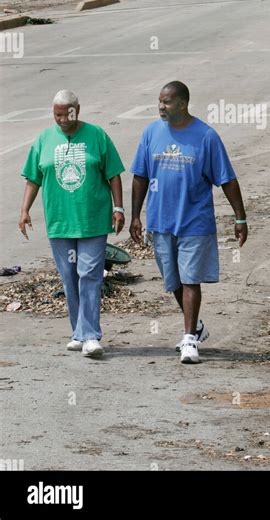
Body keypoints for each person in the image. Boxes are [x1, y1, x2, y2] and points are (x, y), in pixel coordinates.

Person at [130, 81, 247, 364]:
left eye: (167, 101)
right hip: (161, 223)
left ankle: (189, 340)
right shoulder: (151, 133)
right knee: (174, 282)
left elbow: (227, 180)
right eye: (159, 101)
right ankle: (195, 326)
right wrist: (136, 215)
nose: (161, 106)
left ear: (183, 104)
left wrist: (240, 217)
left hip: (195, 221)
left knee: (190, 279)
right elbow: (140, 176)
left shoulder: (206, 137)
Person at [18, 90, 125, 358]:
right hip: (60, 222)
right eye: (57, 114)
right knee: (69, 277)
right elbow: (33, 178)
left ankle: (90, 335)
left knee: (89, 275)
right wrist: (24, 210)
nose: (63, 119)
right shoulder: (43, 139)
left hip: (92, 221)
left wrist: (118, 207)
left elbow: (113, 174)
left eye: (68, 113)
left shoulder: (97, 135)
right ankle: (78, 332)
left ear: (78, 109)